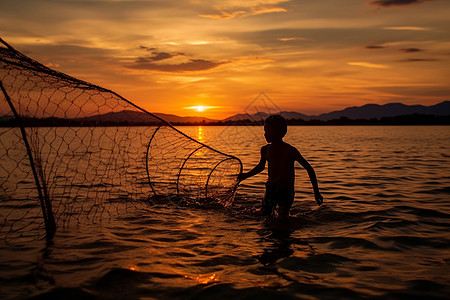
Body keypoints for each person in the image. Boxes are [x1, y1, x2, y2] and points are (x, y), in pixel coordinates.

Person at [237, 115, 323, 219]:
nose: (265, 134)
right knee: (265, 216)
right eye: (265, 130)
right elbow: (261, 167)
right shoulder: (265, 150)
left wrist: (316, 192)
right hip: (271, 189)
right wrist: (246, 175)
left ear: (280, 132)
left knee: (283, 218)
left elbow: (309, 168)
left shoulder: (290, 151)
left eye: (268, 130)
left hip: (286, 191)